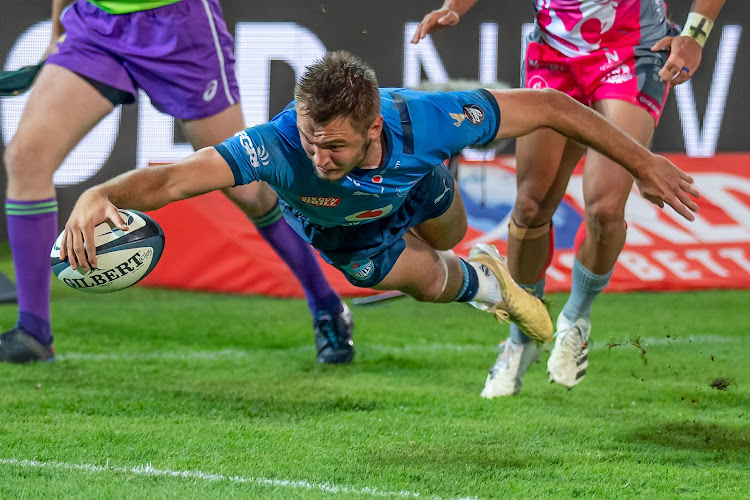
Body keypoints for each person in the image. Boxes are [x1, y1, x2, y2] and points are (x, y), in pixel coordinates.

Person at [59, 51, 700, 377]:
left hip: (417, 190)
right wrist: (102, 196)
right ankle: (487, 285)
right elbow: (172, 179)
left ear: (371, 127)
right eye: (310, 138)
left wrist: (643, 162)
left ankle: (468, 254)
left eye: (332, 144)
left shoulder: (430, 119)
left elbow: (555, 106)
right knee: (421, 281)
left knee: (449, 229)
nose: (317, 154)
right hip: (345, 233)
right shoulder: (278, 146)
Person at [0, 0, 354, 364]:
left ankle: (326, 305)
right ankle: (33, 331)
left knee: (247, 188)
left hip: (179, 26)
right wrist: (59, 26)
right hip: (97, 24)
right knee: (26, 158)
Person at [412, 0, 724, 397]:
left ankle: (576, 320)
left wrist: (695, 34)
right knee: (529, 208)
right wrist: (454, 6)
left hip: (633, 50)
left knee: (606, 208)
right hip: (554, 53)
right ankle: (523, 335)